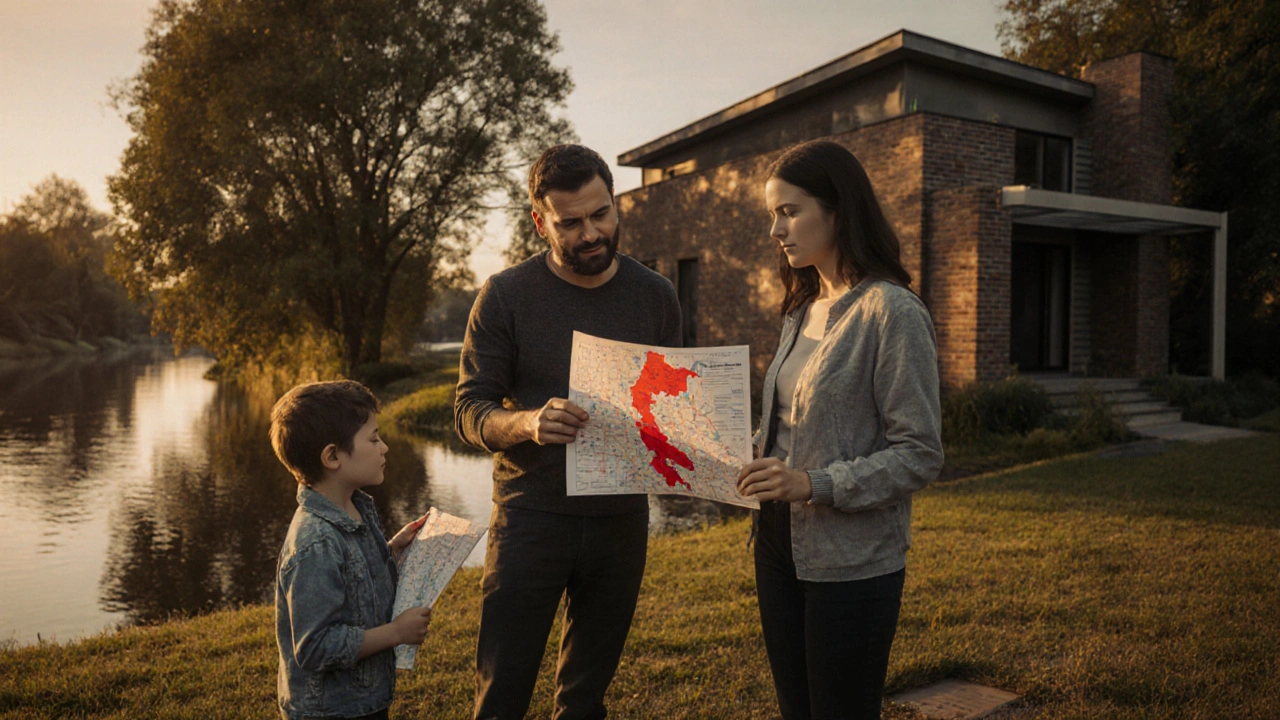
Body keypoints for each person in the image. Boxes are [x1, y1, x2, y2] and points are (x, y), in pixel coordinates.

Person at [454, 144, 682, 720]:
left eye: (601, 214)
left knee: (585, 699)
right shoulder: (504, 295)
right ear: (540, 222)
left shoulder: (657, 296)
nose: (591, 233)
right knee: (501, 694)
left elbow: (674, 407)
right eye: (571, 222)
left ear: (615, 203)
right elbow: (469, 409)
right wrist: (527, 422)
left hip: (621, 521)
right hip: (531, 518)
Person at [736, 140, 943, 720]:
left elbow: (920, 453)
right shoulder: (801, 308)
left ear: (838, 209)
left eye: (789, 211)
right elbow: (790, 423)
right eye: (772, 214)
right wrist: (746, 451)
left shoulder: (891, 312)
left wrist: (812, 483)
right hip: (776, 541)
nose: (777, 229)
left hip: (853, 560)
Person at [270, 380, 433, 720]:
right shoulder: (314, 542)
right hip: (330, 711)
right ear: (332, 457)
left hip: (363, 701)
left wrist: (392, 551)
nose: (385, 447)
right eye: (373, 439)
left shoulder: (354, 506)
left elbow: (350, 581)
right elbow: (316, 646)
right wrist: (396, 633)